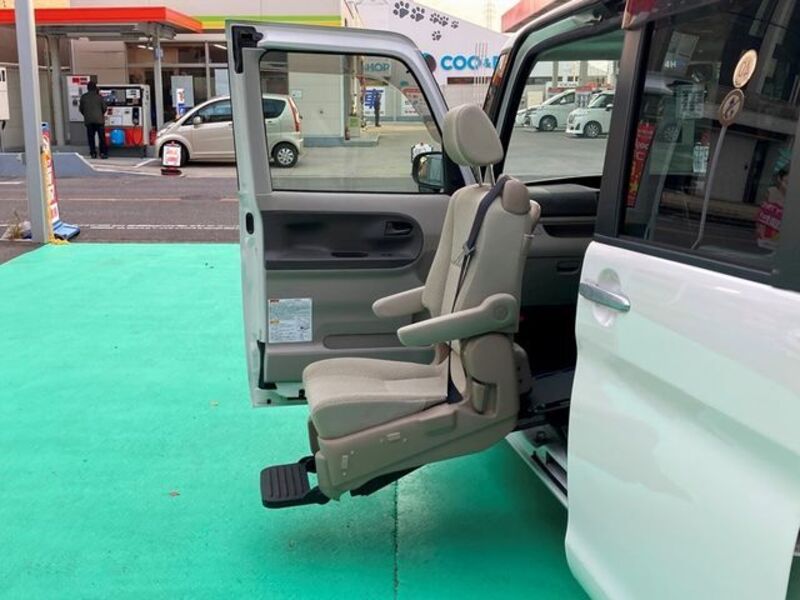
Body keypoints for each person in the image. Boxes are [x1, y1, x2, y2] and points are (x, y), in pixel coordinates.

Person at [755, 168, 789, 250]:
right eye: (786, 182)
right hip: (765, 236)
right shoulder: (771, 192)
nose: (788, 186)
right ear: (779, 179)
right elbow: (761, 213)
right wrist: (758, 229)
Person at [79, 82, 108, 159]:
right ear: (95, 88)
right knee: (101, 137)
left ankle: (93, 153)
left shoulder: (83, 97)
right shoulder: (99, 97)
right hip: (99, 120)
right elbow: (104, 108)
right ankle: (103, 153)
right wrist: (100, 114)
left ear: (87, 88)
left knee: (91, 138)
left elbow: (81, 109)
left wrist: (86, 115)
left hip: (89, 120)